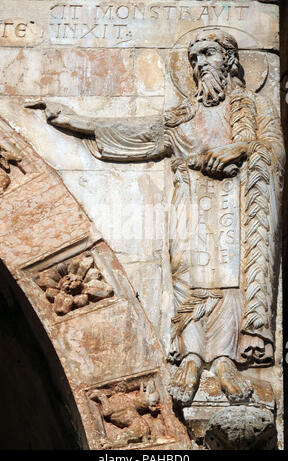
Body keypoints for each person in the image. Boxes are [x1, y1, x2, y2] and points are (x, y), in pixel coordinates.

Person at [25, 28, 285, 407]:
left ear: (228, 60)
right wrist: (78, 121)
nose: (199, 64)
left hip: (236, 202)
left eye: (208, 54)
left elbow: (273, 148)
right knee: (185, 271)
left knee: (231, 275)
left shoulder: (255, 108)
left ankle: (226, 360)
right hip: (190, 201)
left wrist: (241, 149)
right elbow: (139, 133)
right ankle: (192, 356)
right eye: (194, 58)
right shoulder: (183, 115)